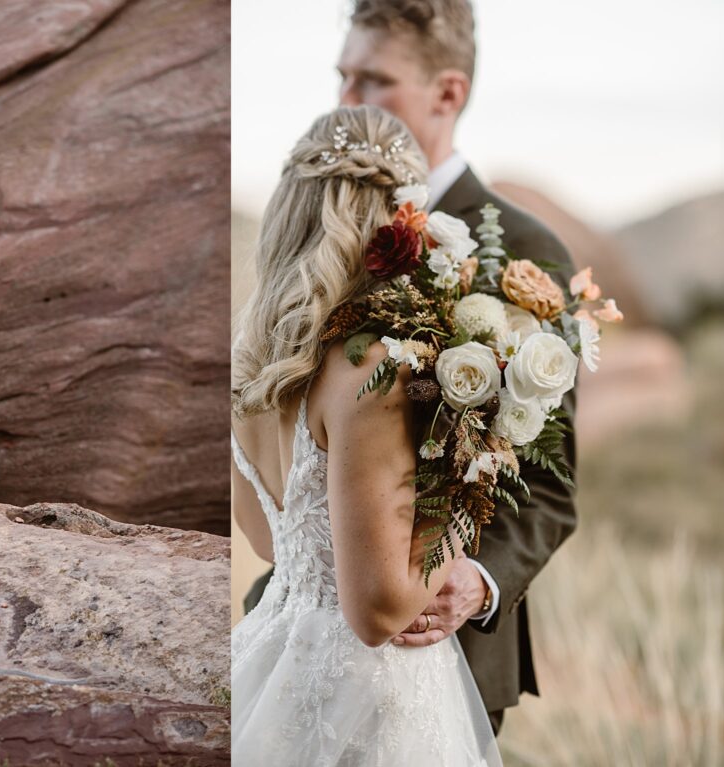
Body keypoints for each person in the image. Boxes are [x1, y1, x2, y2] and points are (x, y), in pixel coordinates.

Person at [244, 0, 578, 735]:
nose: (347, 100)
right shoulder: (321, 249)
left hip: (445, 649)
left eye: (373, 81)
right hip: (311, 636)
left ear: (447, 92)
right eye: (343, 77)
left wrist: (475, 581)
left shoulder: (521, 248)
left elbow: (552, 482)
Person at [231, 104, 501, 766]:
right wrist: (455, 527)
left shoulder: (253, 354)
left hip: (274, 660)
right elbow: (378, 613)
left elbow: (273, 537)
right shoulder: (372, 367)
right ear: (395, 218)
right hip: (365, 699)